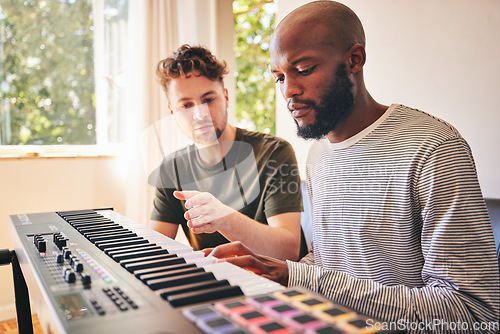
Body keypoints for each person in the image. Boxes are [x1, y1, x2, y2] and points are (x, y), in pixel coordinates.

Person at [206, 1, 500, 331]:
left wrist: (293, 274)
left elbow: (474, 312)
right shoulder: (319, 155)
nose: (289, 91)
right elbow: (329, 263)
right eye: (279, 78)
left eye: (303, 70)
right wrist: (268, 271)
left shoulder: (434, 149)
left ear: (354, 60)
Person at [149, 44, 306, 261]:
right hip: (214, 285)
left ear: (225, 97)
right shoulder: (171, 169)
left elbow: (288, 251)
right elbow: (155, 251)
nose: (199, 114)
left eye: (208, 100)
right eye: (186, 105)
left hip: (274, 286)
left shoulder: (274, 153)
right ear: (172, 111)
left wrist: (223, 217)